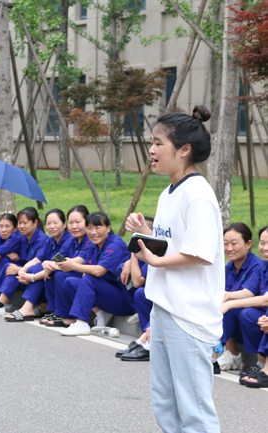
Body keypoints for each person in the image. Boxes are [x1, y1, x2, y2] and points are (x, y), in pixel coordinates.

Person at [125, 105, 223, 432]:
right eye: (151, 143)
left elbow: (200, 253)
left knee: (194, 409)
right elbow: (174, 244)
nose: (151, 150)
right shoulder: (169, 191)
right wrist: (145, 233)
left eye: (158, 143)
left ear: (184, 150)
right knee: (165, 402)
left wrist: (155, 261)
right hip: (164, 307)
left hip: (189, 315)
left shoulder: (198, 194)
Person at [57, 212, 133, 336]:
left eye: (98, 227)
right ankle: (100, 313)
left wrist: (73, 265)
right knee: (70, 282)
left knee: (89, 277)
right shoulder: (93, 245)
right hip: (107, 294)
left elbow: (98, 271)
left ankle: (82, 323)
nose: (93, 232)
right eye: (89, 228)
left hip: (124, 300)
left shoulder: (115, 244)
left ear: (108, 228)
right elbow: (86, 271)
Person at [6, 208, 73, 322]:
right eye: (49, 223)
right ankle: (43, 308)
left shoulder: (68, 241)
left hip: (63, 279)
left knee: (40, 269)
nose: (52, 226)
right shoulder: (50, 241)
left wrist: (32, 277)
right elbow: (37, 259)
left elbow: (55, 266)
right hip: (50, 280)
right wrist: (22, 270)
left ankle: (28, 308)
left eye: (55, 223)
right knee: (33, 267)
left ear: (64, 224)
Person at [220, 224, 268, 381]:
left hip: (260, 314)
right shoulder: (264, 267)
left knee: (244, 312)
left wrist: (229, 302)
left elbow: (263, 298)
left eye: (234, 243)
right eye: (262, 243)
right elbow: (249, 292)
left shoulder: (257, 265)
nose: (229, 248)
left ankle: (258, 365)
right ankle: (259, 364)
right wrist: (226, 297)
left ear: (248, 244)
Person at [0, 207, 47, 317]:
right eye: (20, 223)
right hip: (23, 277)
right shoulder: (20, 236)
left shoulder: (43, 240)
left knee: (13, 269)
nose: (22, 226)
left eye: (25, 223)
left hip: (36, 279)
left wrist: (19, 270)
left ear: (35, 223)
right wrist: (6, 255)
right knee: (7, 264)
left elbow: (38, 264)